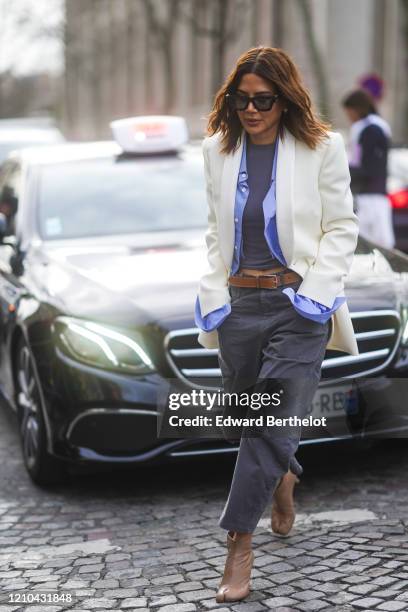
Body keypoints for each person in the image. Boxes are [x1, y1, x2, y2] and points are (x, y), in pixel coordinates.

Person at [194, 46, 359, 603]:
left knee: (268, 422)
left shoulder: (321, 148)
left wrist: (318, 290)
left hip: (297, 305)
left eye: (263, 100)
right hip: (238, 306)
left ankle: (238, 543)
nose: (251, 110)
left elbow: (341, 226)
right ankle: (283, 475)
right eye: (241, 99)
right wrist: (214, 286)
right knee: (254, 421)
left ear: (285, 99)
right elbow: (216, 229)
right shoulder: (217, 150)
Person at [342, 88, 395, 249]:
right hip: (373, 193)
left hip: (370, 195)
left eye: (349, 112)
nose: (349, 117)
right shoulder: (377, 126)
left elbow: (367, 165)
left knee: (372, 243)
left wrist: (347, 178)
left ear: (357, 109)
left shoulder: (370, 129)